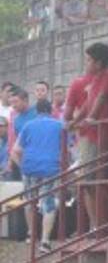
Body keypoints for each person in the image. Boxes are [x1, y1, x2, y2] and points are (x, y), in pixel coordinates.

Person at [71, 43, 108, 233]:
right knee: (91, 182)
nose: (85, 64)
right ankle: (100, 225)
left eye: (88, 60)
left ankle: (105, 225)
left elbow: (100, 99)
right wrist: (75, 121)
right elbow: (88, 103)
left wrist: (90, 119)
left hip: (106, 136)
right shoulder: (96, 79)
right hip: (97, 136)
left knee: (95, 180)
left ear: (99, 62)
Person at [12, 100, 63, 253]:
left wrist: (23, 167)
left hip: (30, 168)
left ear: (37, 111)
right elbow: (68, 148)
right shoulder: (58, 125)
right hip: (50, 168)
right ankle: (45, 241)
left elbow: (15, 151)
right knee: (49, 204)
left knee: (30, 202)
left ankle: (31, 235)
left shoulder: (28, 125)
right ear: (51, 110)